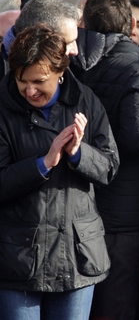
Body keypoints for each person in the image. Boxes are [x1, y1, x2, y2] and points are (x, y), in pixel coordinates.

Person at [0, 25, 119, 320]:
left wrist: (79, 154)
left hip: (76, 258)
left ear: (60, 72)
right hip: (18, 259)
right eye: (21, 81)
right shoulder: (2, 108)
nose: (30, 90)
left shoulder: (86, 100)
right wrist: (45, 162)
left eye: (39, 81)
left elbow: (110, 168)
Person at [74, 0, 139, 320]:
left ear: (84, 23)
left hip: (78, 199)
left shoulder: (73, 65)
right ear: (131, 26)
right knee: (116, 305)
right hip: (123, 213)